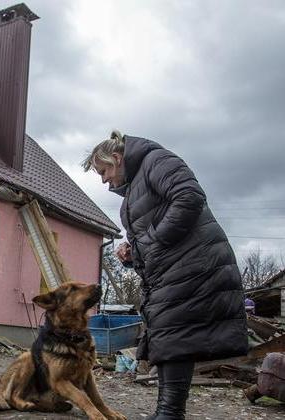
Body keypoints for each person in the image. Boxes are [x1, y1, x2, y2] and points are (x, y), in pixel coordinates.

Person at [83, 131, 248, 419]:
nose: (104, 180)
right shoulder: (134, 192)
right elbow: (151, 242)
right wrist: (132, 253)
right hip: (174, 269)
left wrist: (147, 243)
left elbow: (189, 197)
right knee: (171, 334)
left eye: (103, 171)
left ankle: (170, 413)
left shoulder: (156, 161)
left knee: (173, 332)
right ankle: (168, 412)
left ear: (117, 158)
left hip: (196, 263)